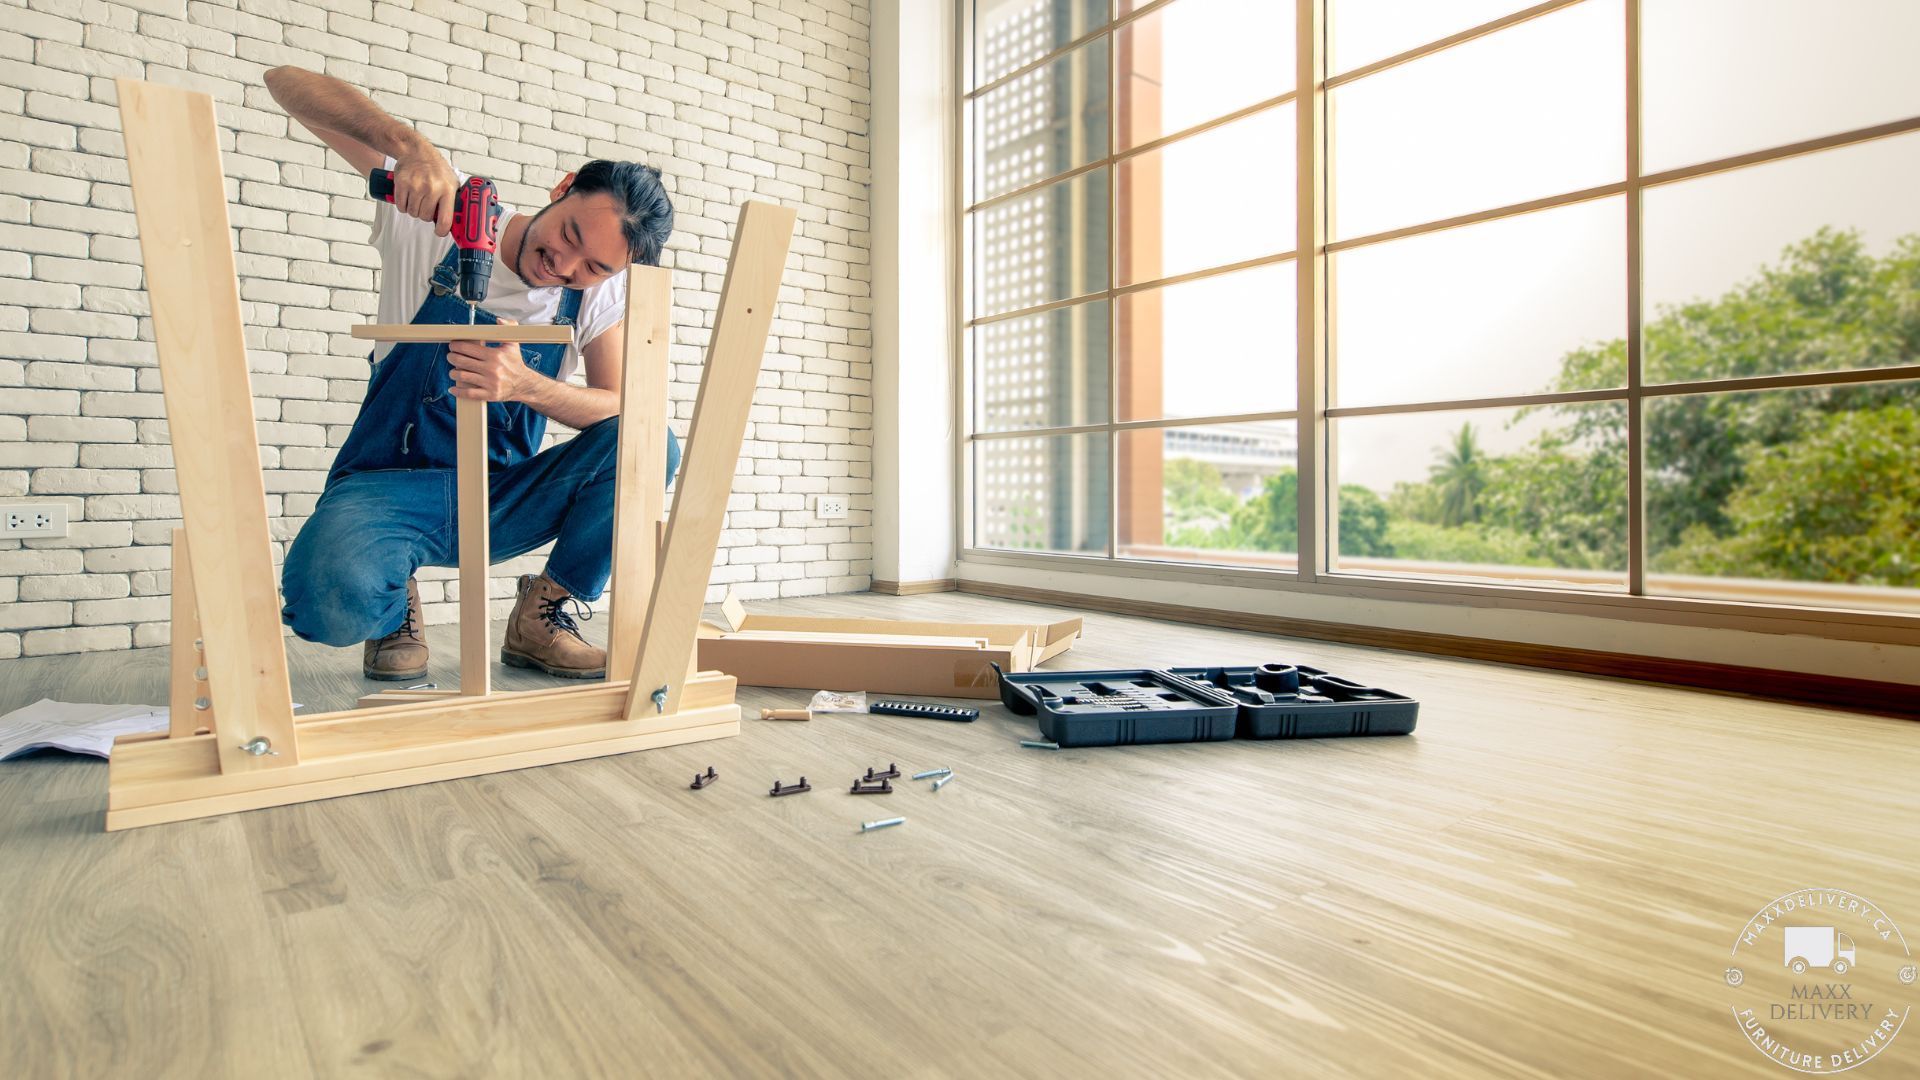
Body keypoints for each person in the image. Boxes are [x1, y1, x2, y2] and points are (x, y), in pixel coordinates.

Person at [264, 65, 679, 681]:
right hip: (388, 486)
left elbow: (625, 405)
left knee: (650, 443)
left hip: (497, 496)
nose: (564, 265)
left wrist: (525, 386)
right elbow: (285, 84)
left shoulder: (595, 299)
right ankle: (390, 603)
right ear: (563, 188)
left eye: (593, 266)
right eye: (568, 234)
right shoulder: (447, 216)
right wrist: (410, 148)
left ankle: (543, 614)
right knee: (325, 606)